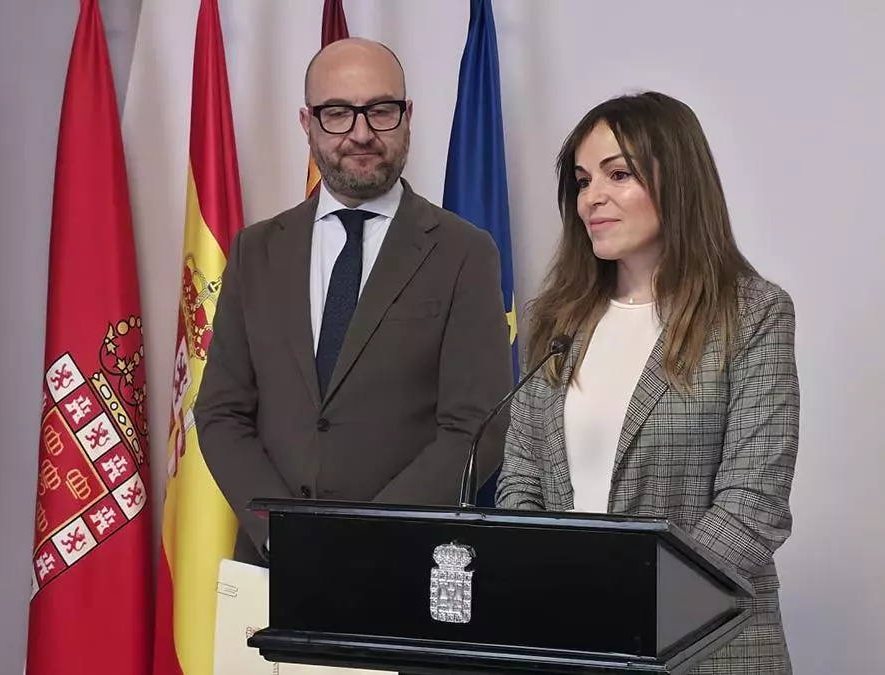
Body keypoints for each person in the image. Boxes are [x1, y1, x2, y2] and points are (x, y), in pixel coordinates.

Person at [496, 91, 800, 673]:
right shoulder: (557, 319)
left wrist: (635, 607)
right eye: (583, 181)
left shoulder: (752, 313)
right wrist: (551, 595)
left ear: (678, 181)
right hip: (570, 643)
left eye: (619, 174)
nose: (592, 197)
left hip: (704, 648)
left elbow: (752, 505)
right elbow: (522, 484)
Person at [195, 37, 515, 565]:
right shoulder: (256, 250)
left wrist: (363, 537)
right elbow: (221, 411)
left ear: (407, 116)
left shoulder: (464, 252)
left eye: (381, 110)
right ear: (307, 123)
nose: (361, 133)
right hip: (273, 564)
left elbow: (478, 426)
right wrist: (280, 531)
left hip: (401, 563)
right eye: (338, 113)